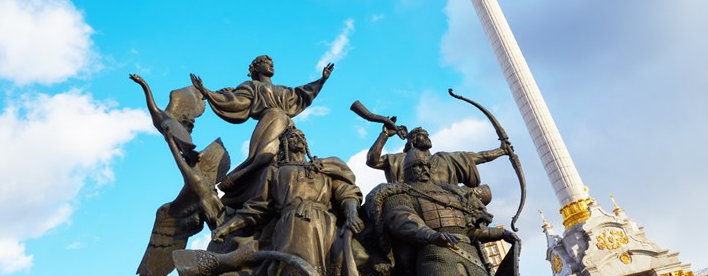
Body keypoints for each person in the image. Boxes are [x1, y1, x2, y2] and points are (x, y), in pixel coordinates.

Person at [211, 126, 365, 276]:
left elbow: (346, 192)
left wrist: (352, 214)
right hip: (292, 226)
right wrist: (226, 228)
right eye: (293, 136)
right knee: (294, 268)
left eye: (301, 136)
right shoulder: (275, 171)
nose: (298, 138)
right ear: (284, 144)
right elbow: (257, 208)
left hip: (326, 225)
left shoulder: (323, 167)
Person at [190, 55, 333, 207]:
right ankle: (237, 180)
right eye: (266, 63)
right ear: (256, 68)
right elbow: (236, 102)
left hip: (288, 125)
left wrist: (321, 80)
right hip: (270, 120)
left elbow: (301, 94)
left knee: (289, 158)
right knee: (265, 156)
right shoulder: (252, 86)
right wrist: (206, 92)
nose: (271, 65)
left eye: (272, 63)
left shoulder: (283, 89)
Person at [370, 149, 519, 276]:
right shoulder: (401, 193)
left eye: (427, 165)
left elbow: (469, 231)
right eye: (418, 165)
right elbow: (401, 219)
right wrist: (431, 235)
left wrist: (500, 234)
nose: (425, 169)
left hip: (473, 259)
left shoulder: (449, 193)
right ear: (407, 169)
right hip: (435, 256)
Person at [366, 126, 506, 187]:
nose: (427, 137)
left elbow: (480, 157)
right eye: (423, 135)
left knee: (484, 192)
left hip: (451, 203)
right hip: (414, 207)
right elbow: (373, 160)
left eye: (428, 135)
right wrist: (384, 135)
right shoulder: (400, 160)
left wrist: (501, 151)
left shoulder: (446, 158)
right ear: (413, 141)